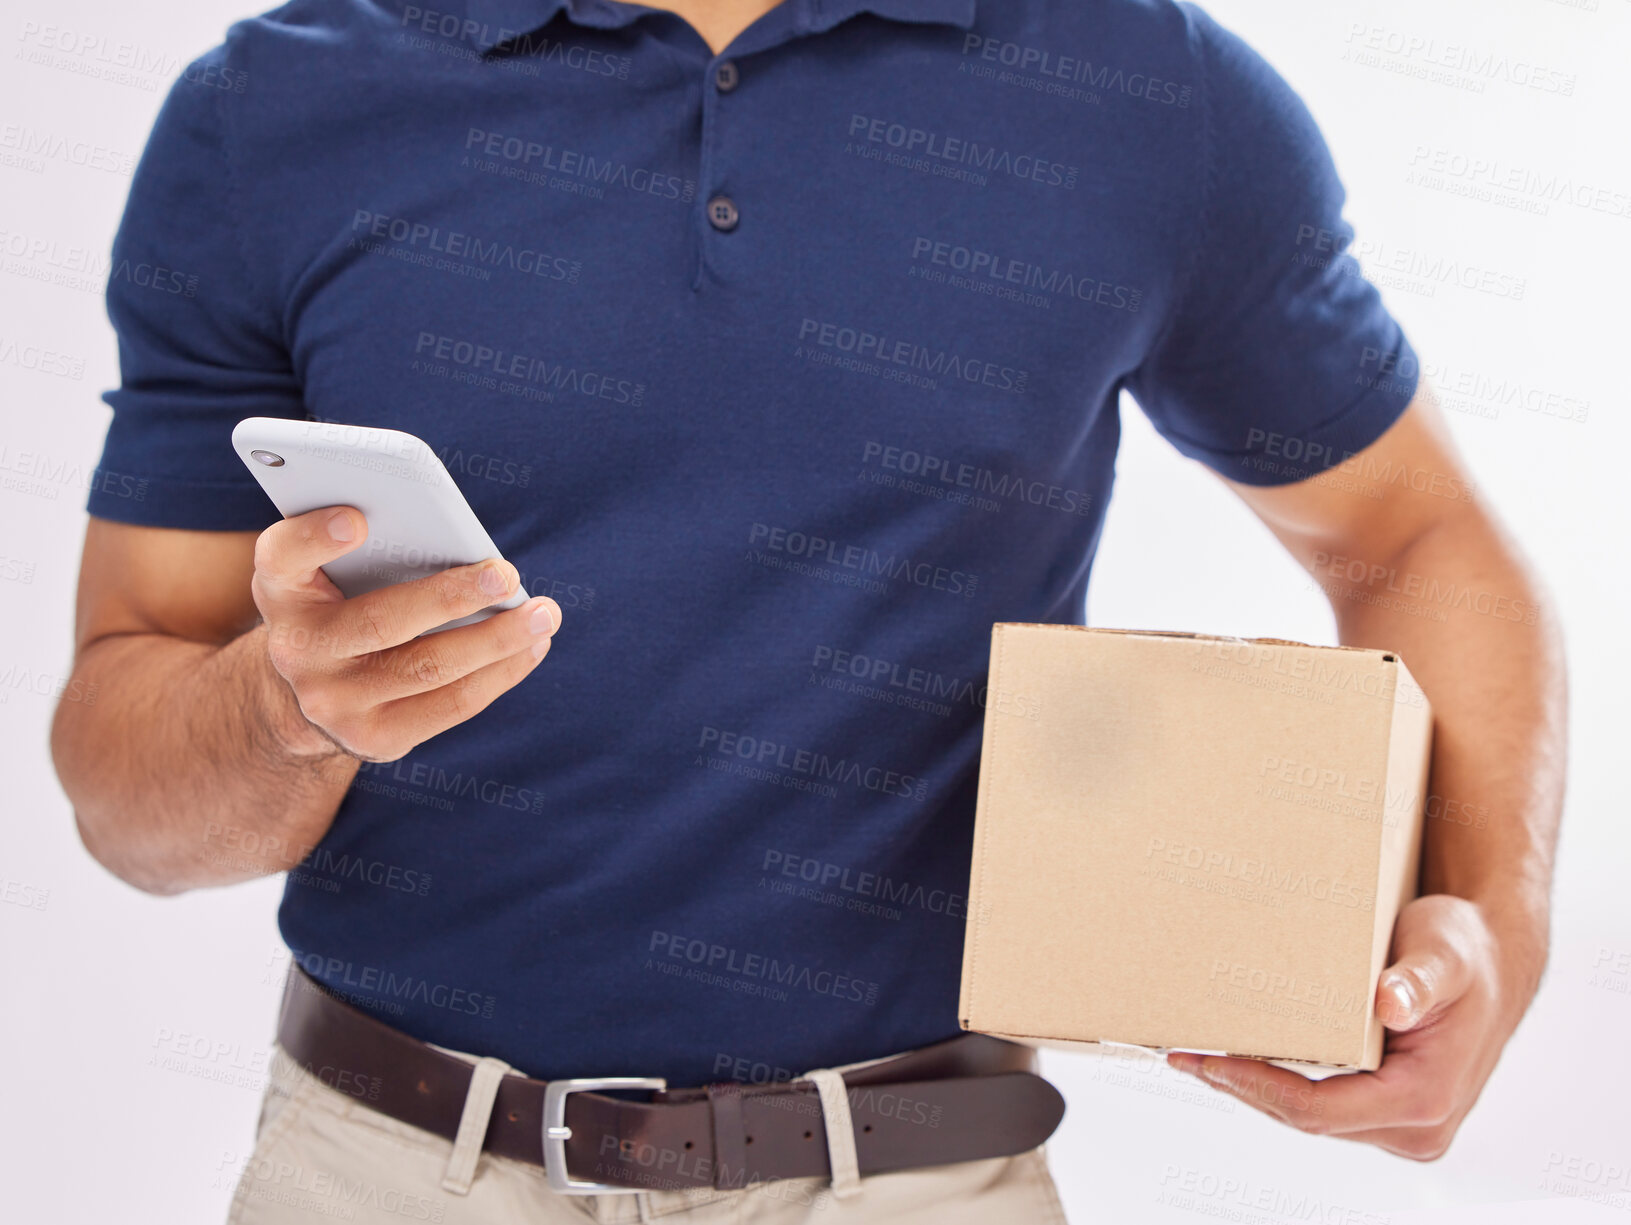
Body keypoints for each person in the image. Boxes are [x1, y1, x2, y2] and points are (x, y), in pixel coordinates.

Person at [52, 0, 1566, 1221]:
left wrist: (1493, 926)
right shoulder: (272, 110)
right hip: (383, 1175)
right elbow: (124, 787)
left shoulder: (1143, 92)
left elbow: (1412, 532)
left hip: (913, 1182)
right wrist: (279, 707)